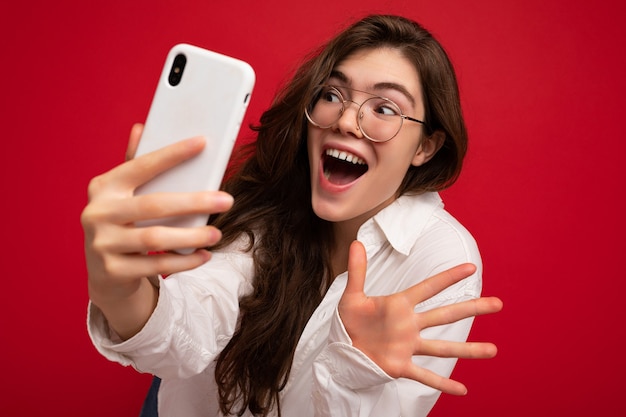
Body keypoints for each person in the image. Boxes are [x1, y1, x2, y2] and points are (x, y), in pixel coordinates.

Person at [83, 14, 503, 417]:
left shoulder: (441, 259)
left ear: (424, 148)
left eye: (384, 109)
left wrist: (355, 368)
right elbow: (186, 334)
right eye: (333, 95)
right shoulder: (269, 209)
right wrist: (119, 288)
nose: (344, 121)